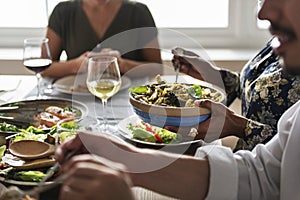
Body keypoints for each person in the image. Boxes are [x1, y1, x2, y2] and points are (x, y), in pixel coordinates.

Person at [56, 0, 300, 199]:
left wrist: (238, 126)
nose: (262, 12)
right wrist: (126, 157)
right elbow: (263, 177)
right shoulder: (281, 45)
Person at [171, 34, 299, 151]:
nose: (261, 14)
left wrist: (238, 127)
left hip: (274, 175)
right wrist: (212, 74)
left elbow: (293, 153)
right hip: (246, 165)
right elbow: (258, 90)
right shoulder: (286, 36)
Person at [42, 0, 162, 79]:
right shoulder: (63, 12)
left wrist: (122, 65)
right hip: (76, 101)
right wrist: (76, 66)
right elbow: (44, 69)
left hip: (129, 104)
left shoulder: (139, 12)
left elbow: (157, 69)